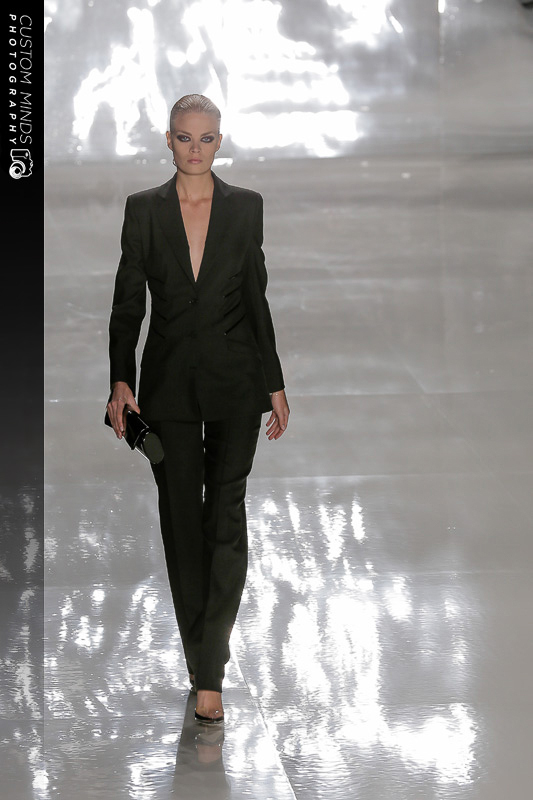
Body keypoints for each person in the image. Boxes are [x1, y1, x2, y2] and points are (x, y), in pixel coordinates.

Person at [106, 94, 289, 724]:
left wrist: (273, 382)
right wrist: (121, 382)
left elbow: (256, 296)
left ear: (219, 141)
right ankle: (200, 656)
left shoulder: (245, 207)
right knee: (182, 520)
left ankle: (210, 671)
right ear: (168, 139)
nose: (195, 149)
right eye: (185, 137)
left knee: (226, 515)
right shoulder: (143, 210)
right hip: (168, 386)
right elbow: (127, 302)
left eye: (206, 138)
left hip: (237, 382)